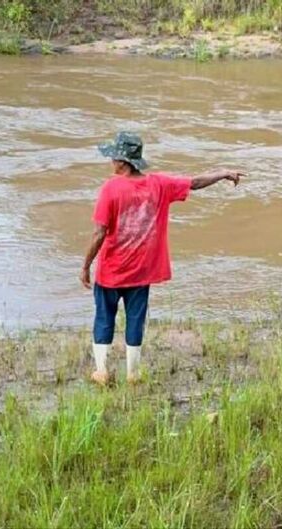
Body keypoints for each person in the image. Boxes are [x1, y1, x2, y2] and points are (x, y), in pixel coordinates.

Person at [80, 131, 243, 386]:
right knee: (135, 320)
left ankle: (102, 371)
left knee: (104, 318)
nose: (111, 162)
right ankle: (132, 375)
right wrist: (222, 172)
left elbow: (100, 232)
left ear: (122, 162)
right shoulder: (159, 184)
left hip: (111, 271)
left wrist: (86, 265)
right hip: (141, 272)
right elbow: (195, 183)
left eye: (113, 157)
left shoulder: (111, 188)